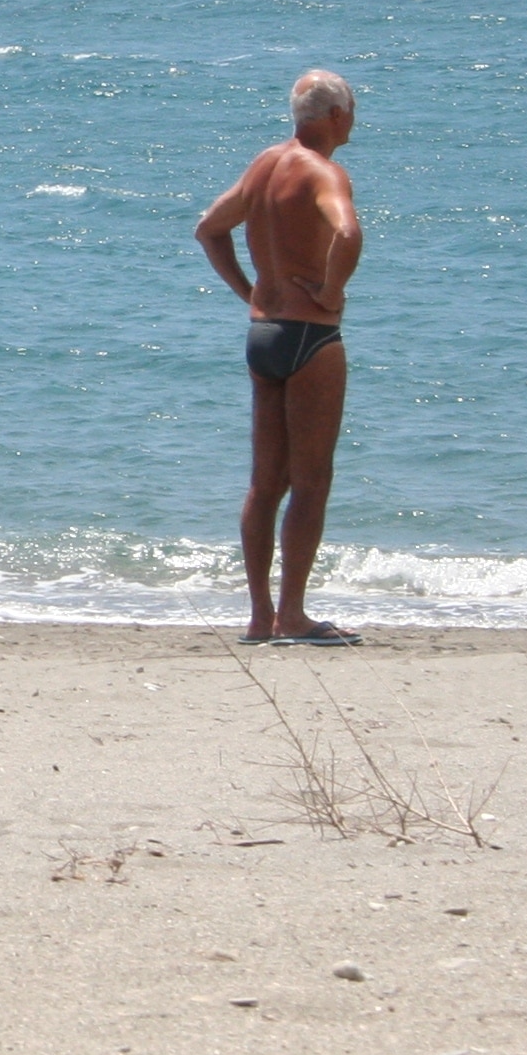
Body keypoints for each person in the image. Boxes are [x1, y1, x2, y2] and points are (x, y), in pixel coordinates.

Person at [194, 71, 363, 644]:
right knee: (311, 481)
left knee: (265, 483)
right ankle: (292, 613)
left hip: (263, 334)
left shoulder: (265, 165)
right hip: (310, 335)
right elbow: (348, 231)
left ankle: (260, 616)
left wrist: (249, 290)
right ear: (337, 115)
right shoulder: (324, 171)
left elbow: (208, 229)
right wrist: (333, 291)